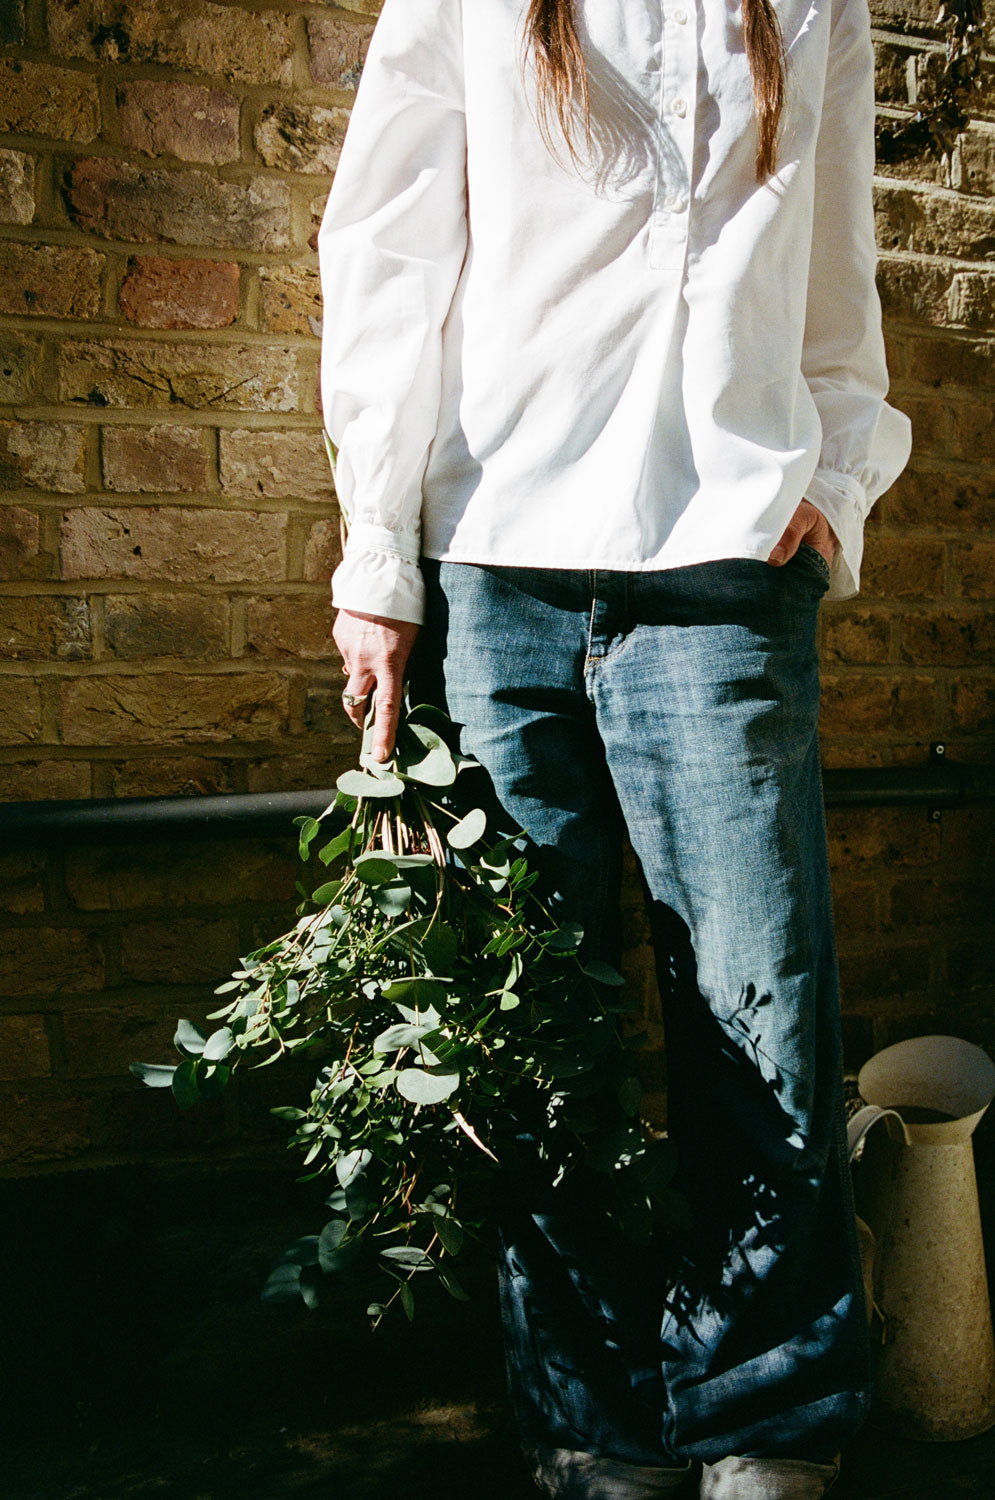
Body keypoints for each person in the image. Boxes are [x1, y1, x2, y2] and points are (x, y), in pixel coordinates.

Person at [316, 1, 912, 1495]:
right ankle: (590, 1420)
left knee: (760, 1015)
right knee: (538, 1028)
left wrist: (835, 481)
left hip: (726, 561)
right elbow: (389, 244)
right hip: (495, 562)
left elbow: (838, 272)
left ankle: (765, 1419)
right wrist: (378, 560)